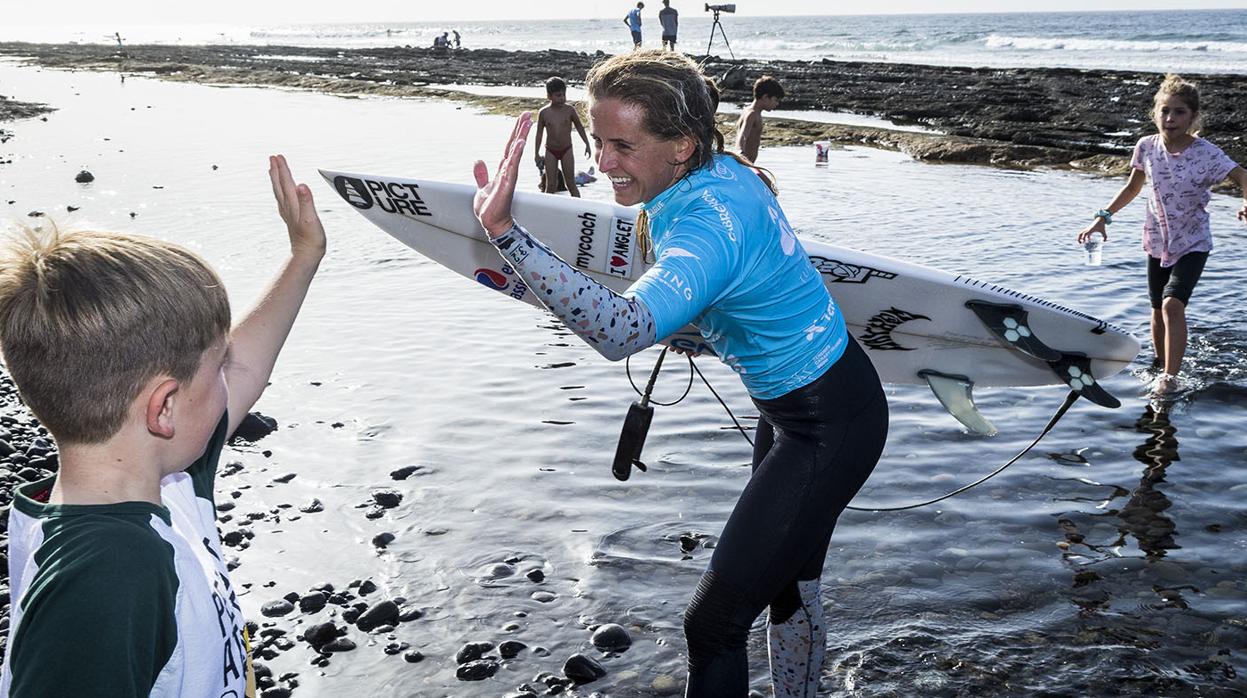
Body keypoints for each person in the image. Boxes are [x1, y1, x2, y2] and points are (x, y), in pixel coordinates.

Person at [472, 50, 887, 698]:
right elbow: (757, 286)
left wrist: (503, 231)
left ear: (680, 144)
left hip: (827, 425)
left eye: (622, 146)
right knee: (788, 583)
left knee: (713, 625)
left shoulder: (703, 226)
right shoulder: (717, 173)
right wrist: (700, 326)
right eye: (598, 139)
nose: (602, 162)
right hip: (797, 404)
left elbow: (622, 330)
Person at [0, 155, 326, 696]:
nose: (232, 380)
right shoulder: (110, 574)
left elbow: (248, 365)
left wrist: (304, 256)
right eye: (217, 368)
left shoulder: (165, 487)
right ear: (164, 409)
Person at [1076, 74, 1247, 395]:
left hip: (1193, 243)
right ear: (1155, 113)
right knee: (1156, 308)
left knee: (1171, 305)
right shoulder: (1146, 147)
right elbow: (1132, 187)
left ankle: (1170, 376)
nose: (1170, 118)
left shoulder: (1206, 153)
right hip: (1156, 241)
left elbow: (1242, 175)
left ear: (1193, 117)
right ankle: (1158, 362)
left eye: (1179, 112)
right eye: (1164, 111)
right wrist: (1102, 218)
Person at [534, 76, 592, 197]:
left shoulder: (569, 110)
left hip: (567, 150)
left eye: (564, 94)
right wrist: (536, 154)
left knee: (570, 184)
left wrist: (587, 144)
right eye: (558, 95)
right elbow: (539, 134)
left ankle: (579, 209)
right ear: (549, 96)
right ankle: (547, 211)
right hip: (550, 151)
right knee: (550, 185)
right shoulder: (544, 113)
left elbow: (580, 127)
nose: (562, 98)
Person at [734, 75, 784, 163]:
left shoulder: (748, 110)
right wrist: (740, 153)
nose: (777, 104)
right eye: (776, 100)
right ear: (765, 97)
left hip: (747, 163)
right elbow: (742, 136)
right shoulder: (752, 114)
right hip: (744, 164)